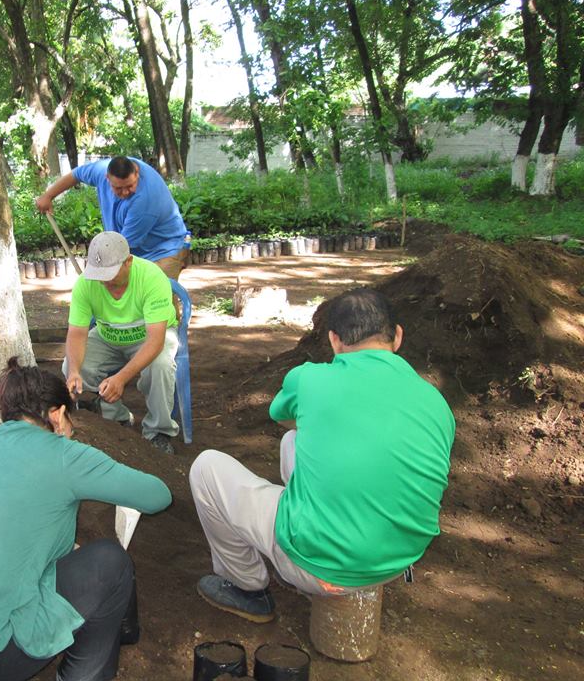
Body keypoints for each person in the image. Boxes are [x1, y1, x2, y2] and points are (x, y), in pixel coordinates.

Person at [0, 357, 171, 681]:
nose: (69, 433)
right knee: (111, 561)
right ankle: (84, 675)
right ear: (57, 414)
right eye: (69, 425)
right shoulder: (64, 454)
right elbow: (158, 496)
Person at [189, 288, 455, 621]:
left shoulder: (310, 378)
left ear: (333, 340)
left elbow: (284, 417)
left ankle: (246, 587)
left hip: (325, 566)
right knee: (294, 443)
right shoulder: (435, 400)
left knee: (206, 467)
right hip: (398, 560)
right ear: (397, 336)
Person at [64, 231, 181, 454]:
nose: (104, 281)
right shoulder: (85, 284)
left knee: (160, 366)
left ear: (128, 261)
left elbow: (156, 341)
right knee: (74, 365)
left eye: (110, 273)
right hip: (108, 336)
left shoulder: (151, 277)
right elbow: (77, 333)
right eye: (99, 274)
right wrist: (74, 371)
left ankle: (158, 432)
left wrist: (121, 378)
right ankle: (116, 419)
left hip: (149, 337)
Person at [36, 156, 190, 279]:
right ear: (107, 178)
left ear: (137, 173)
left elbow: (122, 248)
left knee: (160, 300)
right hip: (133, 248)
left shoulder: (146, 200)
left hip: (164, 249)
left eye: (130, 186)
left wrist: (95, 272)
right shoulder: (101, 170)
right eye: (118, 188)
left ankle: (173, 319)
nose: (125, 192)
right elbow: (76, 175)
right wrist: (48, 195)